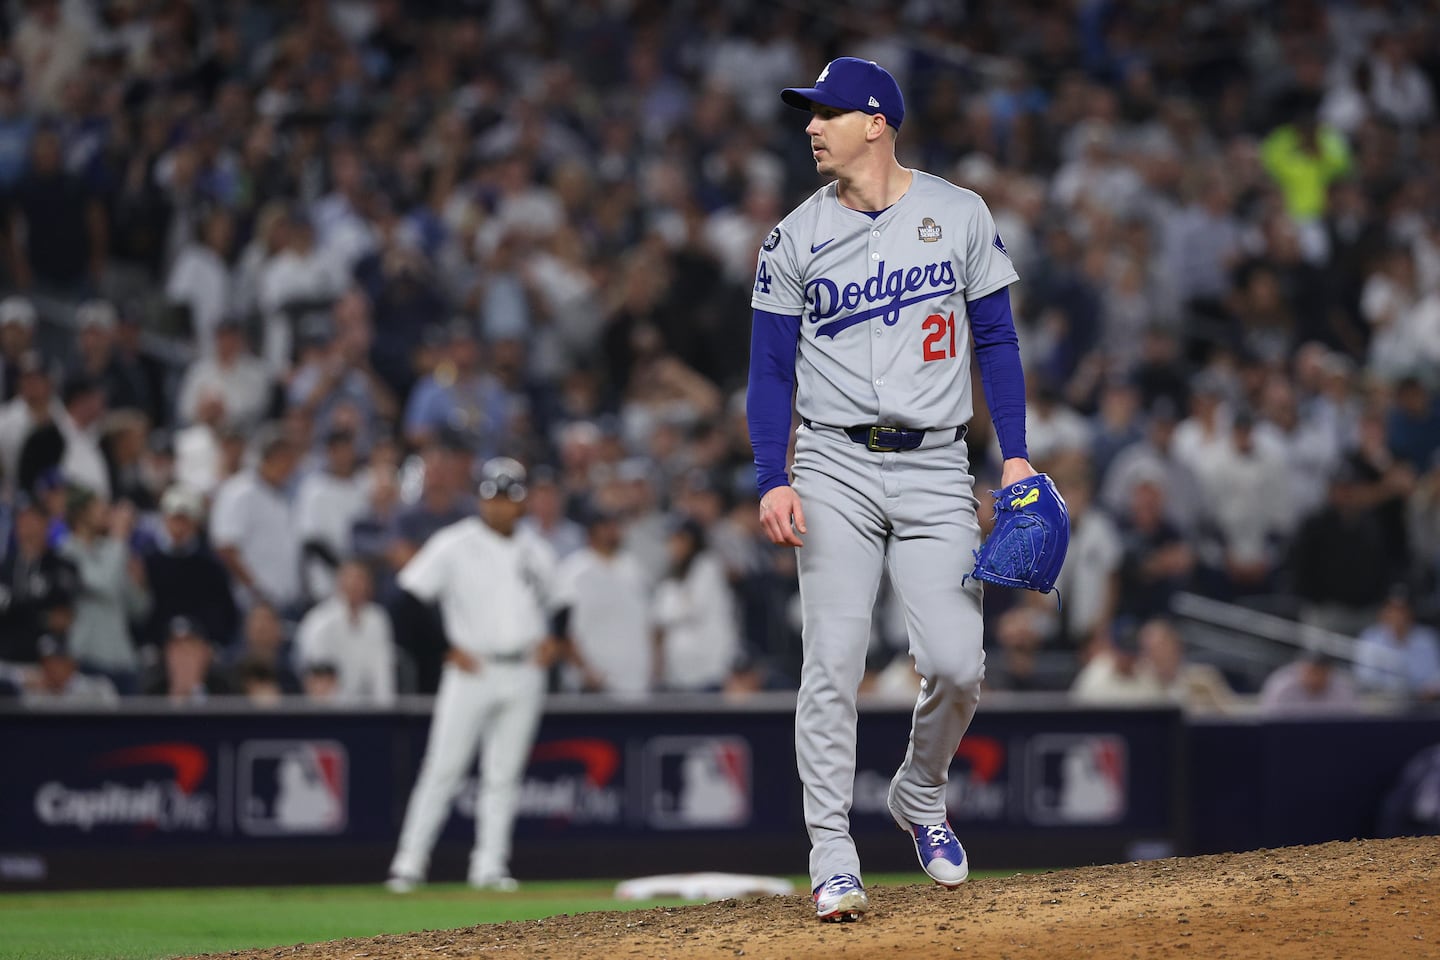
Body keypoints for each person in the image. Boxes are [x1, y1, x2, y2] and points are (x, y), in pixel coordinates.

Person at [746, 58, 1034, 920]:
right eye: (809, 113)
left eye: (826, 112)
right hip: (831, 464)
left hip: (938, 464)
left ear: (876, 120)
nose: (810, 125)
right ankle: (832, 853)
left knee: (957, 663)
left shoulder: (958, 213)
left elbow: (999, 341)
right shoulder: (792, 237)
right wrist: (773, 476)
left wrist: (1013, 456)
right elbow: (767, 371)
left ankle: (918, 790)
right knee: (831, 663)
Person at [386, 458, 562, 894]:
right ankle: (409, 862)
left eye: (509, 498)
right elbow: (405, 600)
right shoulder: (455, 543)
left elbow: (563, 604)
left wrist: (554, 639)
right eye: (494, 497)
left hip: (523, 670)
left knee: (503, 774)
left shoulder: (537, 548)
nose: (501, 506)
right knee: (443, 768)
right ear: (482, 499)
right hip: (472, 670)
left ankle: (489, 865)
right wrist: (443, 650)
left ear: (520, 503)